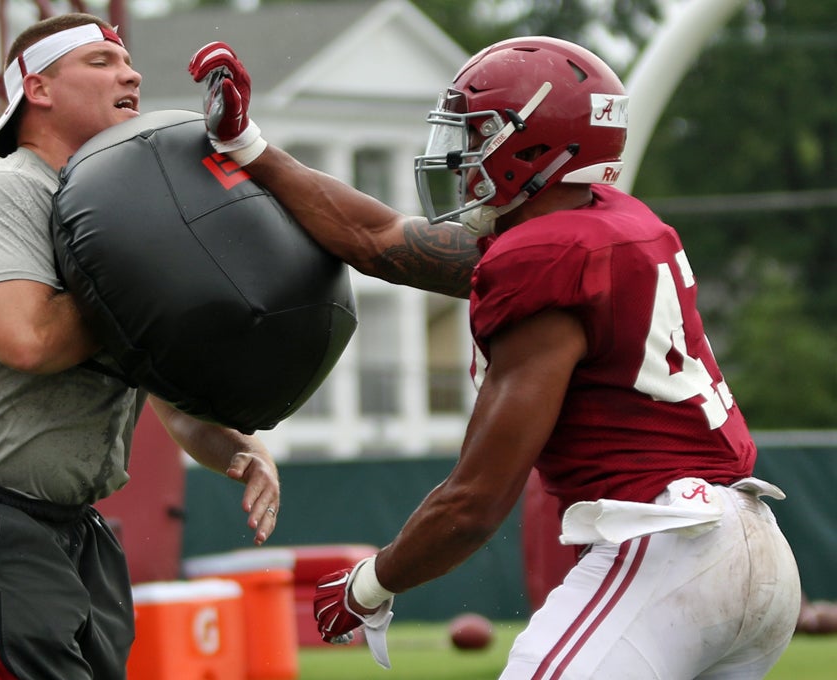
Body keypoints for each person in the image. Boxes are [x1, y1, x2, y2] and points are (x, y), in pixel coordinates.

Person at [188, 37, 802, 678]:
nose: (460, 150)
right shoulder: (611, 225)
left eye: (478, 130)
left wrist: (368, 586)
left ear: (538, 143)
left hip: (667, 548)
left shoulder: (548, 260)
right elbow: (376, 239)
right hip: (752, 542)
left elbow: (474, 501)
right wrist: (247, 146)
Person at [0, 14, 281, 680]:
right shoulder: (5, 189)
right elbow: (28, 341)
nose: (131, 73)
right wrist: (161, 276)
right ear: (37, 88)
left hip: (67, 522)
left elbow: (168, 395)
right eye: (100, 61)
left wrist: (238, 446)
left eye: (125, 61)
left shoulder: (122, 211)